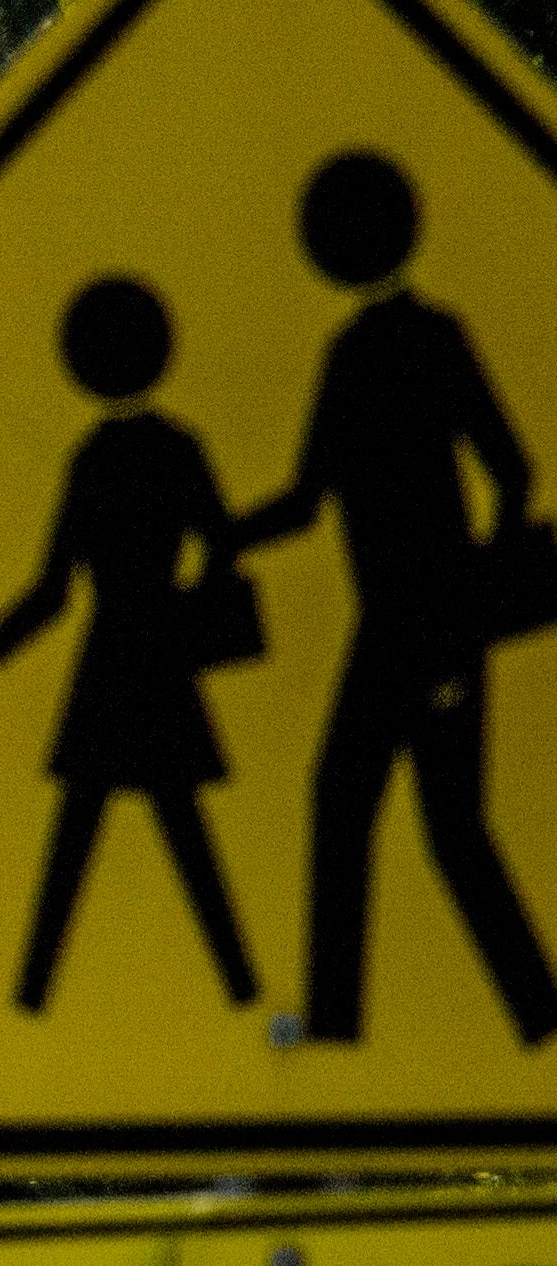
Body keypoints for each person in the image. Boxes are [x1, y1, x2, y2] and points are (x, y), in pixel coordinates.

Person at [232, 147, 556, 1047]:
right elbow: (310, 497)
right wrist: (224, 535)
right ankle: (356, 1022)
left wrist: (475, 589)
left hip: (429, 625)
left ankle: (528, 1012)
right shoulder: (379, 346)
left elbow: (510, 468)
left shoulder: (402, 344)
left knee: (425, 819)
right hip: (400, 628)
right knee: (368, 805)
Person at [0, 276, 259, 1016]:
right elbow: (223, 543)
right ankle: (239, 985)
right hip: (158, 653)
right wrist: (191, 607)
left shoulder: (93, 458)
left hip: (110, 662)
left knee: (85, 834)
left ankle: (34, 993)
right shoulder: (177, 448)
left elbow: (54, 587)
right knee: (173, 830)